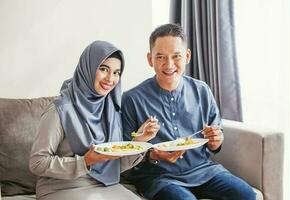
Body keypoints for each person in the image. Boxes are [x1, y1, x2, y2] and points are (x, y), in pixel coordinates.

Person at [121, 24, 256, 200]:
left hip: (204, 170)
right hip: (159, 177)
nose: (169, 65)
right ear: (150, 59)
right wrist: (152, 155)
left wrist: (215, 141)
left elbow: (215, 138)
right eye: (160, 57)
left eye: (176, 56)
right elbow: (126, 151)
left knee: (246, 195)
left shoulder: (202, 91)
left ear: (187, 56)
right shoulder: (132, 99)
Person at [29, 41, 143, 200]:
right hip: (61, 188)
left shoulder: (111, 109)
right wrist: (85, 161)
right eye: (103, 69)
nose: (111, 79)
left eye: (117, 72)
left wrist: (139, 141)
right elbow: (37, 163)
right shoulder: (60, 110)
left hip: (104, 185)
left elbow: (114, 165)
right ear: (87, 69)